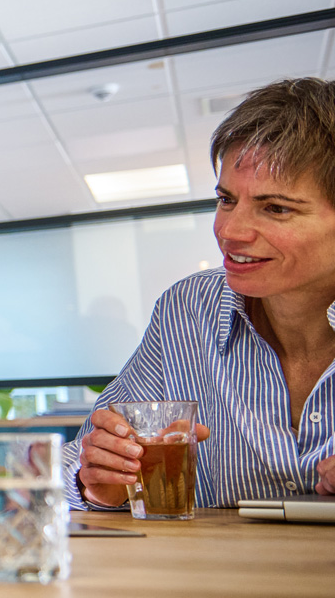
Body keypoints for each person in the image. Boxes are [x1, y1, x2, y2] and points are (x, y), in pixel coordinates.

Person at [66, 78, 335, 509]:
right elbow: (82, 462)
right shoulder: (187, 310)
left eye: (276, 208)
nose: (229, 231)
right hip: (218, 575)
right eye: (226, 200)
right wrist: (99, 482)